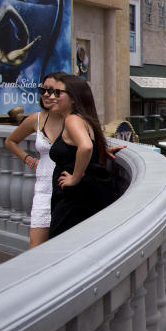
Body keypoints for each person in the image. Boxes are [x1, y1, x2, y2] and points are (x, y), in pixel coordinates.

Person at [48, 74, 117, 237]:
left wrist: (75, 178)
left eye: (58, 93)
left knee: (61, 244)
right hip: (84, 194)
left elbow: (85, 147)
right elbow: (85, 146)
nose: (52, 97)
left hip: (75, 198)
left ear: (73, 98)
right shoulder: (83, 119)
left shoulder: (72, 120)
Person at [5, 72, 67, 248]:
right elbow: (10, 141)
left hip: (66, 188)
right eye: (43, 90)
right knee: (36, 247)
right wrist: (30, 161)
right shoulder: (36, 119)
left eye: (52, 90)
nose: (46, 94)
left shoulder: (73, 119)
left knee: (63, 245)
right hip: (44, 190)